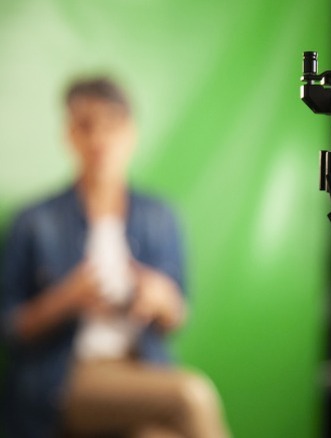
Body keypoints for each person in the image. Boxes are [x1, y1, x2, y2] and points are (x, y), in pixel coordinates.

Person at [1, 77, 229, 437]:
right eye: (86, 126)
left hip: (142, 369)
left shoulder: (160, 216)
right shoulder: (34, 221)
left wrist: (161, 299)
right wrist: (66, 299)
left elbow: (177, 316)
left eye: (111, 124)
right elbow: (9, 327)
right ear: (69, 135)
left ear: (131, 133)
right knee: (191, 395)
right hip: (66, 377)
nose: (99, 139)